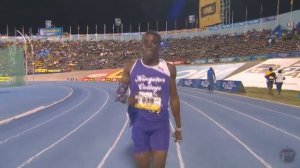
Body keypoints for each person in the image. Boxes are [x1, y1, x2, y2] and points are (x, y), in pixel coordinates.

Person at [115, 31, 182, 168]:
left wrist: (178, 126)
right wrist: (128, 98)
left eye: (153, 43)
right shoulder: (131, 66)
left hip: (160, 124)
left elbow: (174, 98)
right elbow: (120, 94)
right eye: (146, 43)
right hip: (139, 123)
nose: (149, 46)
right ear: (142, 45)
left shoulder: (169, 69)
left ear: (159, 46)